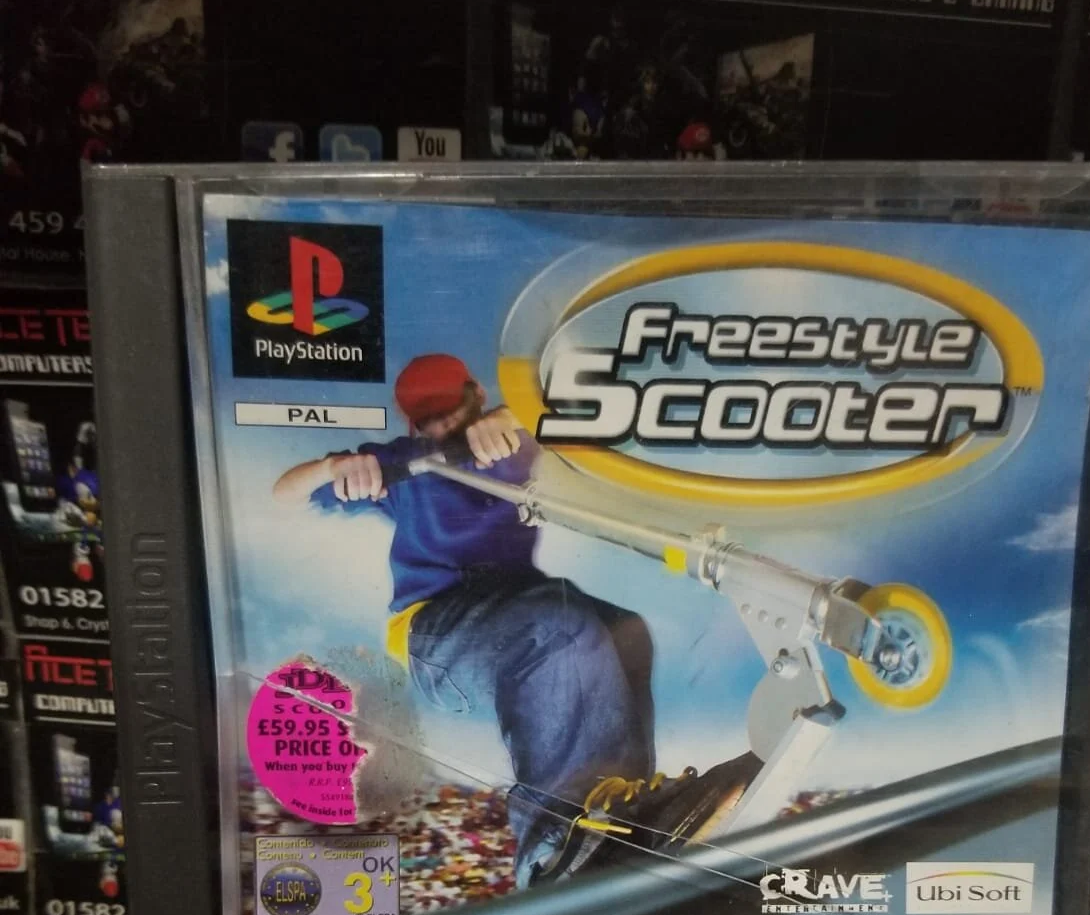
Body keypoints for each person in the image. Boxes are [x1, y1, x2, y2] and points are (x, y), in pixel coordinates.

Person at [274, 354, 740, 885]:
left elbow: (577, 408)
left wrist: (510, 417)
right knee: (557, 627)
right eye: (429, 420)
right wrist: (336, 469)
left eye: (452, 408)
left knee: (625, 630)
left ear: (475, 393)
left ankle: (625, 811)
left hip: (517, 606)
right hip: (436, 630)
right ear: (414, 425)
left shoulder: (516, 439)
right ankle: (555, 841)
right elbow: (285, 492)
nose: (444, 426)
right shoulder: (404, 465)